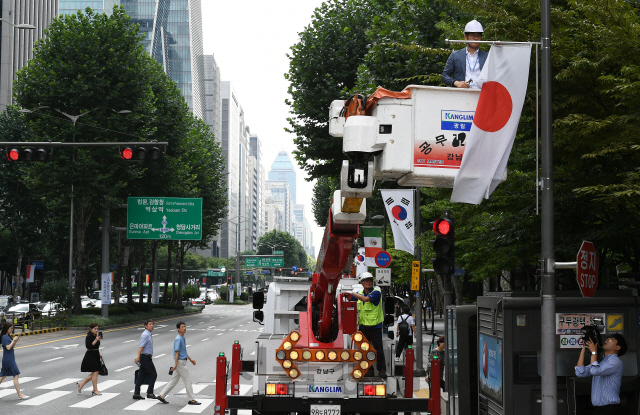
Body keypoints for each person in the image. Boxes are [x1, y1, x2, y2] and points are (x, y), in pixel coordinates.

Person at [575, 333, 627, 414]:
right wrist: (583, 351)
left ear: (618, 347)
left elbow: (595, 371)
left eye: (612, 339)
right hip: (597, 409)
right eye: (608, 338)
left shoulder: (616, 362)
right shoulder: (600, 361)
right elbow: (580, 373)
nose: (607, 339)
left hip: (610, 409)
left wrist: (594, 353)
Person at [350, 272, 387, 378]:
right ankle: (369, 369)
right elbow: (349, 300)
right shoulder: (360, 292)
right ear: (361, 282)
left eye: (370, 280)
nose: (368, 282)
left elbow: (365, 299)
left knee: (378, 349)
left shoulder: (376, 292)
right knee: (365, 350)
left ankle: (381, 370)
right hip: (363, 327)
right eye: (366, 280)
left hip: (375, 326)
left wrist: (353, 294)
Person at [156, 322, 200, 405]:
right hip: (180, 362)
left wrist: (190, 359)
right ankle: (191, 400)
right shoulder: (178, 339)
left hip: (182, 361)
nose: (184, 328)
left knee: (174, 381)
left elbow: (184, 351)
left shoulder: (182, 338)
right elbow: (176, 352)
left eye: (185, 326)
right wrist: (176, 364)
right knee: (188, 381)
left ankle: (161, 396)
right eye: (182, 327)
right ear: (178, 329)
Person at [442, 20, 489, 89]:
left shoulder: (487, 56)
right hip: (461, 96)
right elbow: (444, 76)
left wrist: (499, 50)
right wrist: (456, 83)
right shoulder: (455, 55)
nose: (476, 38)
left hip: (481, 96)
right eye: (472, 35)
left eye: (478, 35)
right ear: (465, 37)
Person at [0, 322, 28, 399]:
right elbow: (8, 347)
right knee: (16, 375)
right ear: (7, 329)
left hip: (9, 358)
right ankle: (19, 394)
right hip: (8, 359)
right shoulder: (4, 337)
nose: (12, 330)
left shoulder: (8, 336)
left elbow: (12, 346)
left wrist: (15, 341)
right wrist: (13, 341)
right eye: (11, 328)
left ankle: (19, 394)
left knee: (2, 376)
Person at [133, 319, 158, 400]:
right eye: (150, 324)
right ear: (145, 326)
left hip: (146, 357)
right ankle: (150, 393)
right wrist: (138, 356)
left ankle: (136, 394)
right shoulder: (145, 334)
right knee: (153, 374)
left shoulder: (148, 334)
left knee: (141, 375)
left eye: (152, 324)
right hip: (145, 357)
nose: (152, 325)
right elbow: (141, 346)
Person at [77, 322, 103, 395]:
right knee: (95, 372)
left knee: (95, 373)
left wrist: (98, 352)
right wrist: (96, 340)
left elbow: (96, 347)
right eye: (95, 329)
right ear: (91, 329)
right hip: (90, 356)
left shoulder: (95, 335)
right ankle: (95, 390)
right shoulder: (89, 336)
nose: (96, 330)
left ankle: (81, 384)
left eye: (97, 329)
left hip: (95, 355)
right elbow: (89, 346)